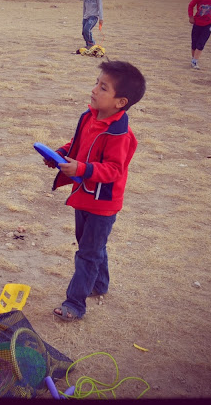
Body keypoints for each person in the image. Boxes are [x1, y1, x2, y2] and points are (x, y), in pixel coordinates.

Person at [44, 61, 146, 322]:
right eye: (96, 83)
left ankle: (74, 303)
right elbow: (77, 143)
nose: (94, 90)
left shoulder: (120, 134)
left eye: (103, 88)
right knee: (90, 245)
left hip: (103, 202)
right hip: (83, 194)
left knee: (88, 253)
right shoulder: (89, 117)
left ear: (120, 102)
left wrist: (81, 168)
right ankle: (100, 284)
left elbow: (114, 170)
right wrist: (60, 154)